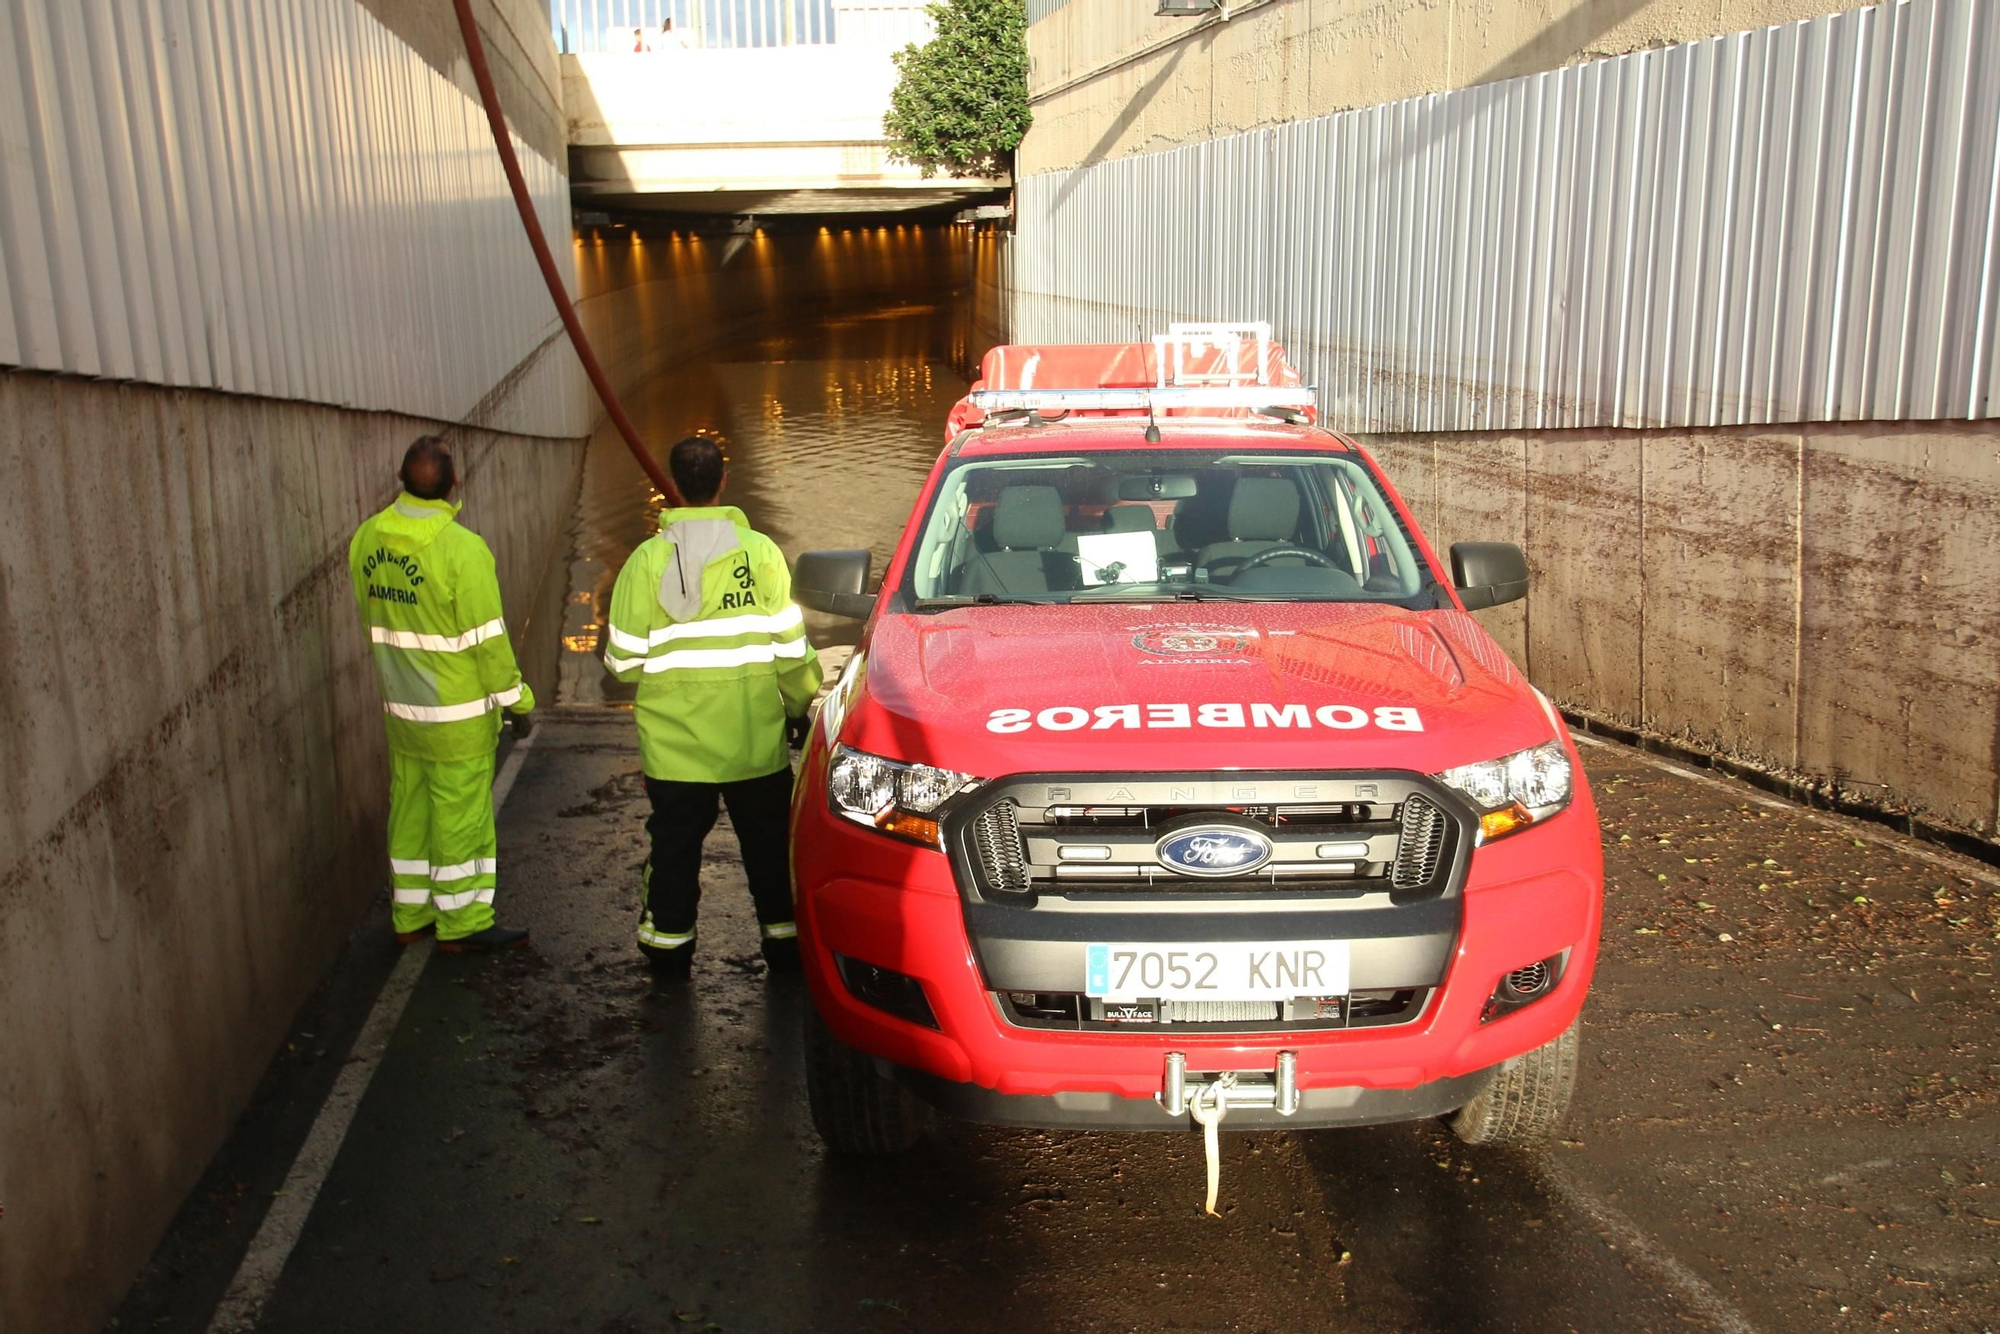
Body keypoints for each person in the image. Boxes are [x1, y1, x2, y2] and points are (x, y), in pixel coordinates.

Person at [602, 436, 821, 978]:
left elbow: (622, 665)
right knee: (769, 850)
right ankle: (784, 949)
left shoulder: (646, 562)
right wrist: (797, 708)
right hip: (752, 741)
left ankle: (668, 952)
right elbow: (792, 654)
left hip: (676, 749)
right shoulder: (761, 554)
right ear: (725, 480)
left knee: (674, 848)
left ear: (674, 486)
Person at [347, 436, 534, 952]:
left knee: (409, 809)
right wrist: (517, 700)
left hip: (403, 711)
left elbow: (373, 617)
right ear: (455, 485)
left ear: (401, 480)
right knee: (460, 818)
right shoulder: (463, 551)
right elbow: (488, 644)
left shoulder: (367, 539)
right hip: (457, 719)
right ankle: (463, 923)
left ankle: (410, 914)